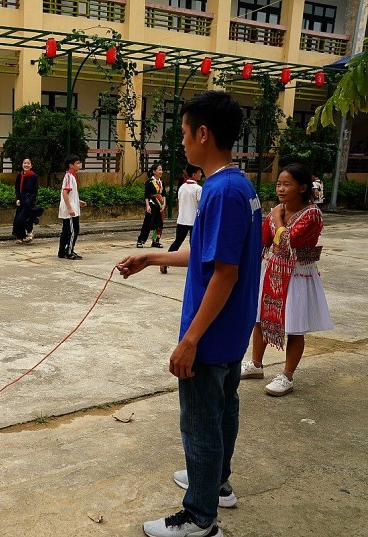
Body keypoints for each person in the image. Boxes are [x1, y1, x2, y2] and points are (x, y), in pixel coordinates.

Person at [117, 90, 262, 537]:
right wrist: (152, 257)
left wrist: (190, 339)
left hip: (211, 333)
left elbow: (225, 275)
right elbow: (208, 255)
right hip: (232, 328)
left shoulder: (221, 191)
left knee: (200, 425)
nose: (180, 142)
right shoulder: (239, 186)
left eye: (182, 132)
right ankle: (217, 484)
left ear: (202, 134)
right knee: (224, 409)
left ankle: (200, 519)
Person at [241, 164, 333, 396]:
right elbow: (262, 240)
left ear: (302, 187)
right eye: (278, 184)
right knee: (261, 319)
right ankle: (256, 364)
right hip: (273, 272)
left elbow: (287, 242)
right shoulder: (277, 211)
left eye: (287, 184)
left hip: (297, 275)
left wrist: (276, 219)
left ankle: (287, 375)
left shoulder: (311, 214)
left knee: (294, 326)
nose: (280, 189)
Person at [161, 164, 203, 274]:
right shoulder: (198, 189)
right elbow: (200, 206)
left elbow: (179, 203)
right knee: (194, 244)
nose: (201, 174)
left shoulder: (182, 187)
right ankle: (195, 265)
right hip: (194, 220)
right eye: (199, 172)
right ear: (194, 174)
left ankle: (165, 261)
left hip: (182, 220)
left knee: (177, 242)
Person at [57, 155, 87, 260]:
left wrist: (78, 201)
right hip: (70, 210)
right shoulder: (69, 176)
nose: (79, 165)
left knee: (66, 231)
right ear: (71, 165)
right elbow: (65, 193)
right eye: (77, 163)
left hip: (71, 207)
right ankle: (69, 252)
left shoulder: (72, 176)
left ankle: (62, 251)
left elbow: (70, 194)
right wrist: (70, 208)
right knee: (73, 231)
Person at [12, 158, 43, 244]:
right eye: (24, 163)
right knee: (18, 219)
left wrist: (29, 200)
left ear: (31, 166)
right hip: (21, 200)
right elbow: (17, 189)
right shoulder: (20, 176)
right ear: (22, 165)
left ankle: (29, 232)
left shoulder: (34, 177)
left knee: (24, 218)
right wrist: (17, 198)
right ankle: (20, 236)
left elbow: (35, 191)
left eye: (28, 163)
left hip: (29, 201)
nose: (26, 165)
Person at [136, 162, 166, 248]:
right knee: (148, 223)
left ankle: (155, 241)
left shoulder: (161, 182)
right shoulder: (149, 182)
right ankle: (141, 240)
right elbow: (146, 195)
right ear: (154, 171)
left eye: (161, 170)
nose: (161, 172)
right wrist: (147, 205)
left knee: (159, 223)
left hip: (160, 204)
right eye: (159, 170)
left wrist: (164, 204)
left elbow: (164, 194)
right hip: (152, 204)